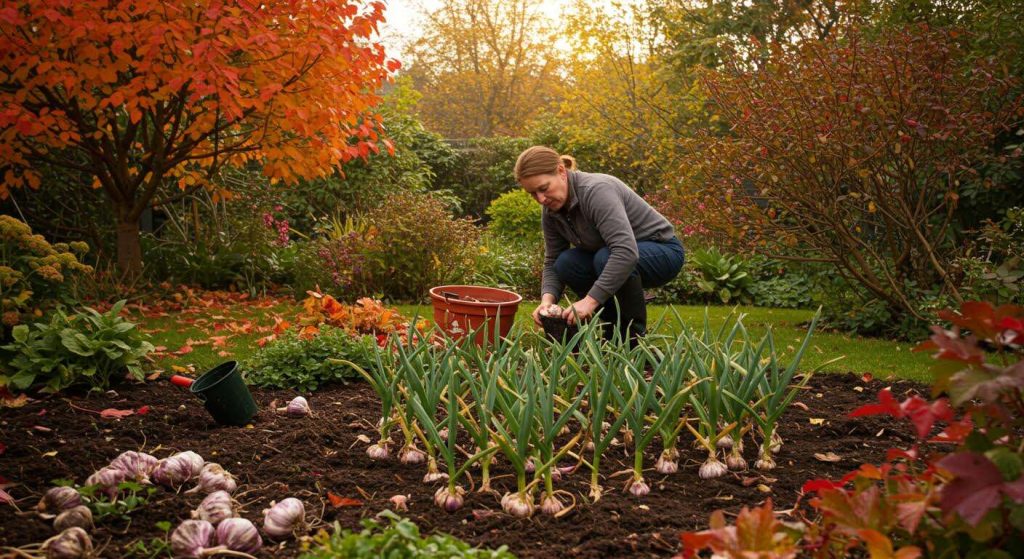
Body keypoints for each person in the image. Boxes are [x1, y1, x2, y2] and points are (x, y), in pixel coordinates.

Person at [515, 145, 685, 343]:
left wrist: (589, 301)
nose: (541, 199)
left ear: (561, 171)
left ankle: (634, 342)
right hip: (611, 256)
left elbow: (625, 252)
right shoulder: (551, 211)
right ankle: (612, 332)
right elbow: (553, 259)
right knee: (566, 262)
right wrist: (547, 301)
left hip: (663, 251)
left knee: (605, 258)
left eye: (544, 188)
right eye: (532, 194)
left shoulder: (596, 190)